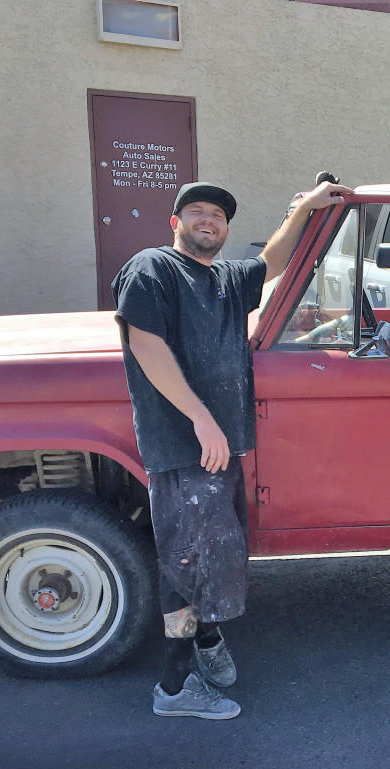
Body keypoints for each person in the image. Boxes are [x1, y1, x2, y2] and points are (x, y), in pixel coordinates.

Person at [113, 178, 351, 719]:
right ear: (175, 224)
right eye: (196, 213)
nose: (208, 221)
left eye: (217, 216)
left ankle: (207, 640)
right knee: (186, 567)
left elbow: (271, 262)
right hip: (184, 448)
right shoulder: (153, 268)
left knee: (213, 559)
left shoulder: (222, 278)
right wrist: (201, 419)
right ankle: (174, 692)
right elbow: (144, 343)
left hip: (217, 450)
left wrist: (308, 209)